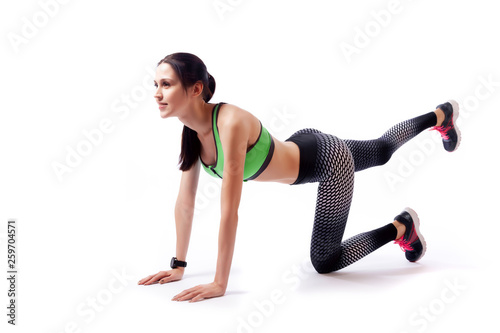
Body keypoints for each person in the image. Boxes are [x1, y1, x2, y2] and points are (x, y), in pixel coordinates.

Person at [137, 52, 461, 302]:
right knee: (381, 150)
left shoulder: (230, 123)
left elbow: (229, 211)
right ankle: (441, 116)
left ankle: (401, 227)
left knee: (325, 261)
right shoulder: (191, 132)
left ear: (195, 89)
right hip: (305, 146)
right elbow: (185, 203)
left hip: (327, 162)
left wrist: (220, 283)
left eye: (166, 84)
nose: (157, 92)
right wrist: (178, 266)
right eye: (156, 84)